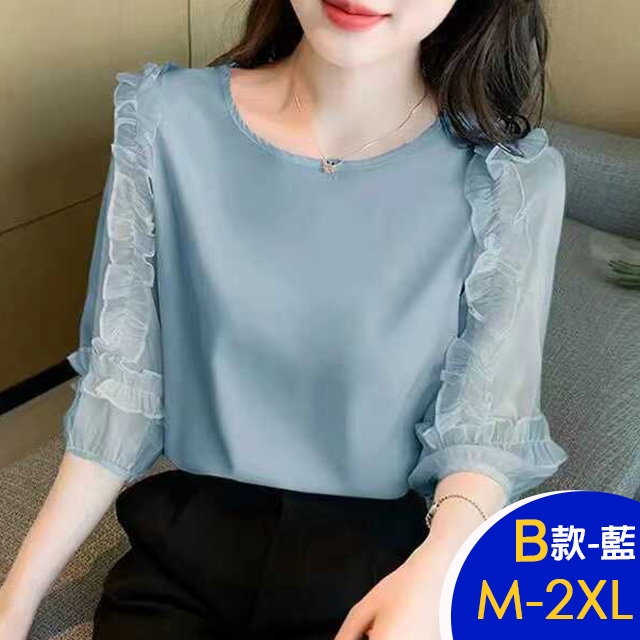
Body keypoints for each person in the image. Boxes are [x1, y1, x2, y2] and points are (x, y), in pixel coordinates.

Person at [0, 1, 570, 638]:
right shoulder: (165, 120)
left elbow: (486, 426)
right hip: (187, 550)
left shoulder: (508, 180)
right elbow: (122, 395)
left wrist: (440, 564)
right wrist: (15, 600)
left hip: (380, 566)